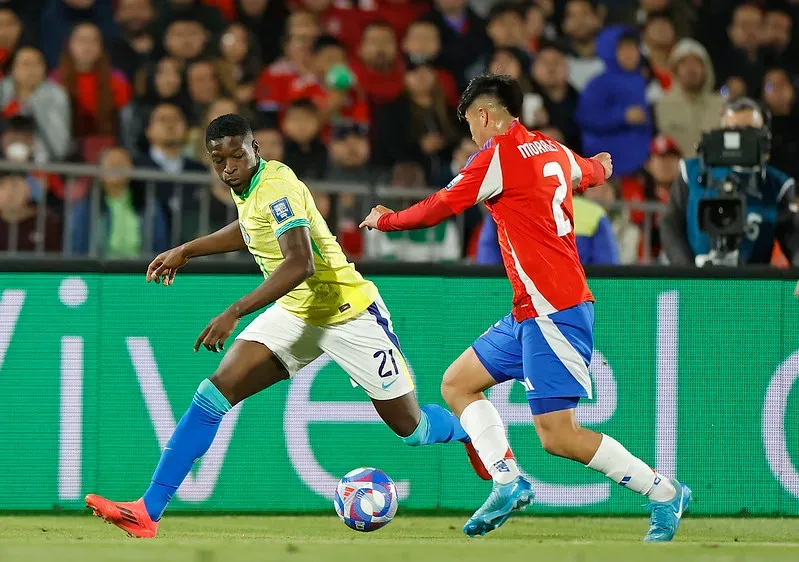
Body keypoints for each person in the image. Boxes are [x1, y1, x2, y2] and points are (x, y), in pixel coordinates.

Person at [84, 113, 484, 538]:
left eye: (237, 156)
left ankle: (470, 432)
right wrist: (187, 249)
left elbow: (300, 263)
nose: (229, 168)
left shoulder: (277, 187)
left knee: (413, 429)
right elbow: (250, 228)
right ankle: (147, 512)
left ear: (255, 149)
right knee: (213, 394)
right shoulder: (248, 187)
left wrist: (235, 311)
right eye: (219, 161)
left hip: (348, 313)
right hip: (297, 312)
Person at [360, 74, 691, 541]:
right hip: (530, 311)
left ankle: (664, 492)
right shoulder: (552, 149)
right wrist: (601, 166)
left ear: (484, 115)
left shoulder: (496, 155)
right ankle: (507, 480)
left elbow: (441, 204)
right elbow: (590, 173)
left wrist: (387, 219)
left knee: (559, 435)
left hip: (554, 309)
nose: (472, 136)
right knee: (458, 384)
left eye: (470, 124)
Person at [660, 97, 799, 267]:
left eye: (749, 132)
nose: (740, 139)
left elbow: (794, 240)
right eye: (733, 131)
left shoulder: (776, 184)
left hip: (752, 280)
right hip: (697, 275)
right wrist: (688, 271)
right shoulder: (691, 172)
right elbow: (671, 225)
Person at [576, 26, 652, 177]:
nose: (630, 54)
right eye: (623, 48)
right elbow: (586, 117)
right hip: (609, 170)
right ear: (610, 50)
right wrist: (623, 116)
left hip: (640, 167)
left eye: (634, 48)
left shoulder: (640, 80)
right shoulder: (598, 83)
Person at [654, 38, 724, 159]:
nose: (691, 68)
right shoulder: (662, 105)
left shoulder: (722, 105)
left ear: (706, 69)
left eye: (697, 62)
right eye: (684, 63)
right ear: (675, 70)